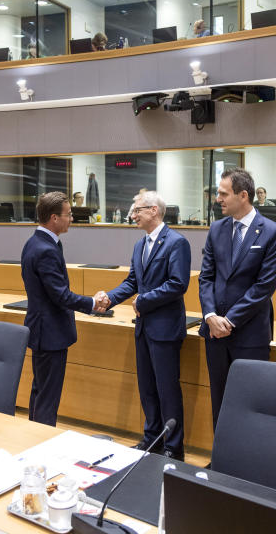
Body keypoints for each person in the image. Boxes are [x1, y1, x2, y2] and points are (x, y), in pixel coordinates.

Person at [96, 190, 191, 460]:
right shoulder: (140, 245)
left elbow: (178, 284)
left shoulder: (176, 243)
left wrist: (144, 300)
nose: (132, 215)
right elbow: (132, 282)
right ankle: (152, 440)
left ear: (154, 211)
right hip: (144, 327)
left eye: (137, 210)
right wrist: (110, 298)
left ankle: (173, 447)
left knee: (167, 389)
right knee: (147, 388)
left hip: (165, 328)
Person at [198, 167, 276, 428]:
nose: (218, 199)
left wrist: (230, 321)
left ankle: (247, 466)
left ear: (243, 195)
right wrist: (211, 316)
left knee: (250, 404)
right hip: (214, 332)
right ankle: (220, 462)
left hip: (249, 333)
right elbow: (206, 277)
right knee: (220, 399)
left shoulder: (271, 231)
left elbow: (264, 286)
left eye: (223, 194)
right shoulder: (216, 229)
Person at [21, 191, 103, 426]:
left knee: (40, 391)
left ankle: (34, 438)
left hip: (41, 330)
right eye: (68, 215)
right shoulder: (45, 249)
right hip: (50, 333)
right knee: (48, 397)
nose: (72, 219)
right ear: (54, 218)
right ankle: (43, 448)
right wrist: (92, 303)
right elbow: (60, 295)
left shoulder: (35, 242)